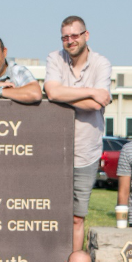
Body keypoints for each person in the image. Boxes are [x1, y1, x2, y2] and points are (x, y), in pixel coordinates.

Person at [44, 16, 113, 250]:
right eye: (65, 37)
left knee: (77, 217)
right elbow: (52, 92)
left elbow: (96, 105)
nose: (70, 41)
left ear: (86, 35)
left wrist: (66, 95)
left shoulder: (102, 63)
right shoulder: (55, 58)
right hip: (54, 151)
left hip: (86, 152)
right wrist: (91, 92)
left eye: (75, 35)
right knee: (51, 217)